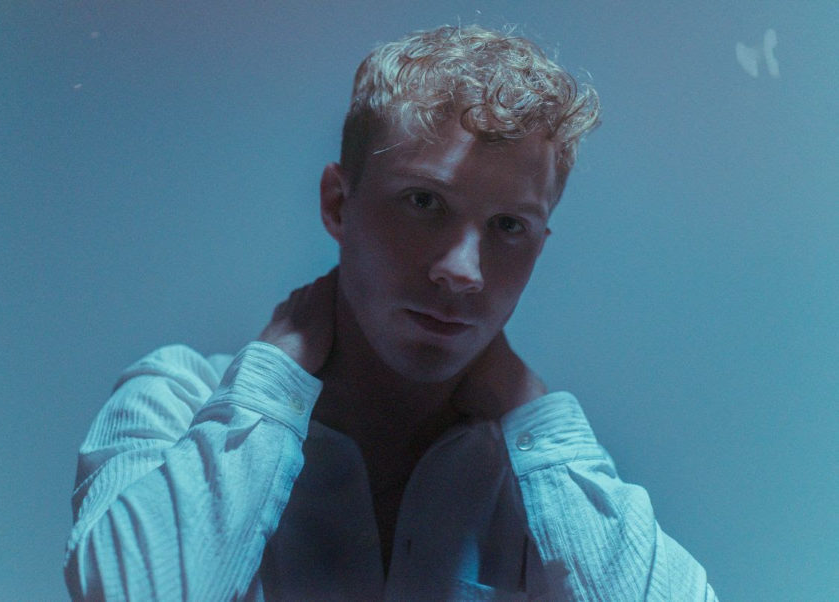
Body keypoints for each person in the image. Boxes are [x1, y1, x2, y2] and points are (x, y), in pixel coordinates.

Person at [64, 24, 718, 601]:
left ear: (539, 246)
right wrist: (272, 378)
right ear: (338, 204)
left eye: (509, 226)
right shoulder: (177, 399)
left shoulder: (539, 473)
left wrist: (532, 411)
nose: (463, 271)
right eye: (424, 203)